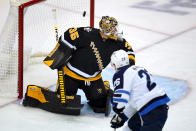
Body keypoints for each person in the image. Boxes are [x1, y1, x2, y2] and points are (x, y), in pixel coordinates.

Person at [22, 16, 135, 116]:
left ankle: (103, 87)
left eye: (116, 28)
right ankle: (36, 93)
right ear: (105, 30)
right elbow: (68, 35)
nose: (116, 31)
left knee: (100, 105)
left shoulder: (117, 41)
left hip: (93, 78)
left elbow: (130, 52)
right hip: (71, 75)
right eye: (113, 28)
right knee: (65, 100)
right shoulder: (87, 33)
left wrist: (127, 65)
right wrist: (60, 53)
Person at [110, 50, 170, 131]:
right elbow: (137, 102)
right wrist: (123, 117)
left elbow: (119, 102)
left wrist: (116, 108)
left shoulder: (120, 74)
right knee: (132, 126)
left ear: (115, 64)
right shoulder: (139, 69)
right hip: (157, 109)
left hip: (151, 112)